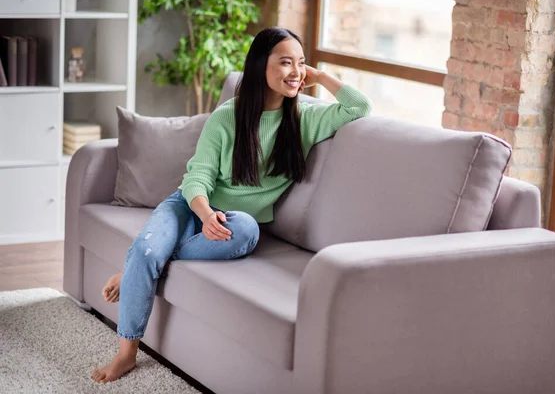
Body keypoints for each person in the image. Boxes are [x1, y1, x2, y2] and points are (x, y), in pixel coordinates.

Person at [91, 26, 373, 384]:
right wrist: (205, 214)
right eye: (285, 62)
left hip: (234, 224)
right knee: (147, 250)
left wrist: (316, 74)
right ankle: (126, 352)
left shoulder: (306, 119)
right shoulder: (228, 115)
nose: (296, 71)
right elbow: (197, 177)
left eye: (300, 63)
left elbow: (359, 106)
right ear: (260, 66)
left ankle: (141, 268)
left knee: (245, 231)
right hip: (190, 207)